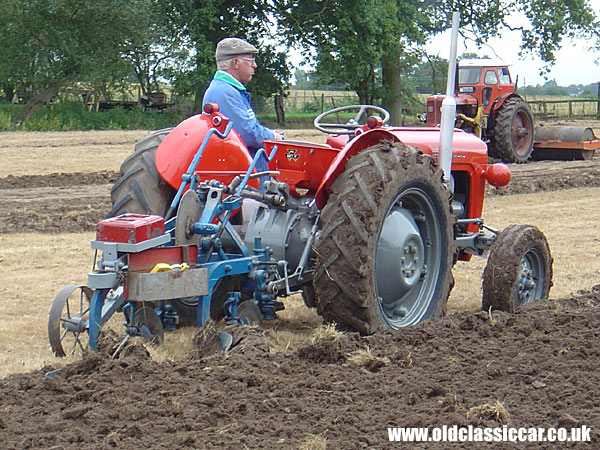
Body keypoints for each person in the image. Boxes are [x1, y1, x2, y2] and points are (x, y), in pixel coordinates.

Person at [202, 37, 282, 186]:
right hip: (243, 177)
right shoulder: (226, 92)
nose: (255, 65)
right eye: (250, 60)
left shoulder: (225, 89)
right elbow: (247, 133)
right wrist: (274, 137)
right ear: (236, 63)